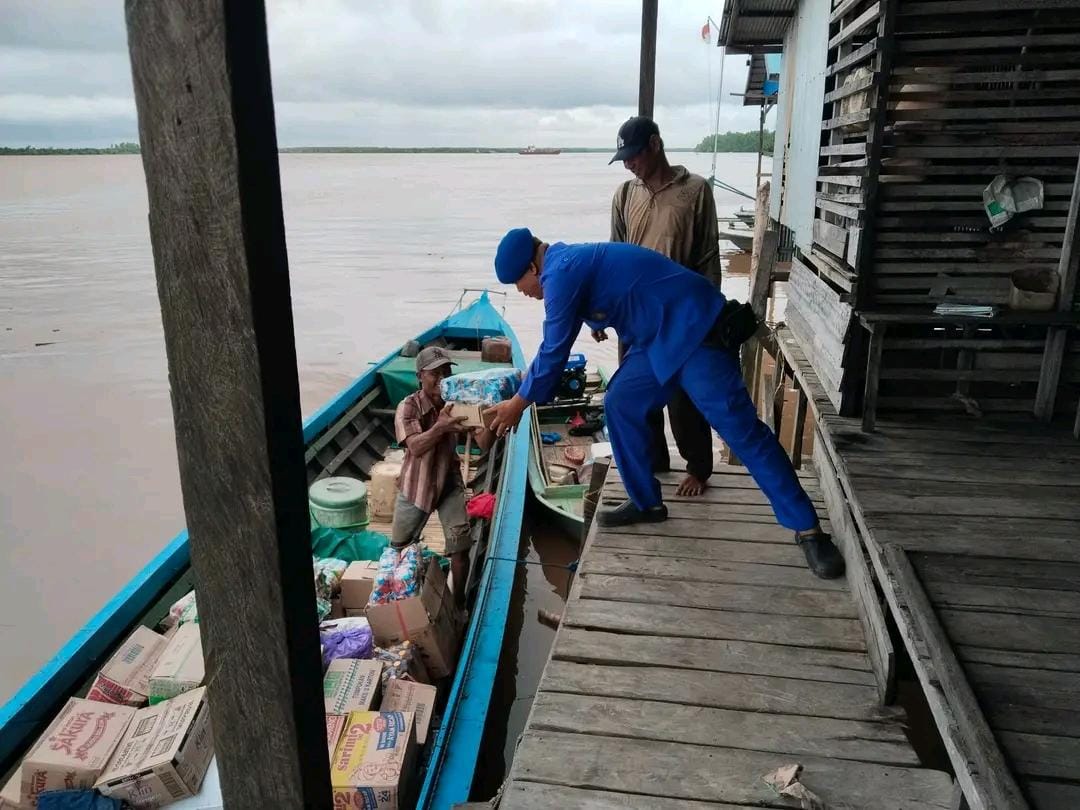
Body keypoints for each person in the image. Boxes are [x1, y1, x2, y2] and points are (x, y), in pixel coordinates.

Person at [484, 228, 844, 579]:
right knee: (620, 403)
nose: (522, 292)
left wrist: (518, 402)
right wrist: (595, 316)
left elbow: (552, 352)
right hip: (655, 340)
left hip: (695, 330)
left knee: (741, 432)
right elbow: (613, 291)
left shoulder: (560, 273)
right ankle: (647, 503)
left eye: (519, 284)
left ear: (533, 268)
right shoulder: (565, 264)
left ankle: (809, 529)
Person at [604, 115, 722, 498]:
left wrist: (707, 314)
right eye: (623, 157)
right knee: (636, 397)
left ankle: (698, 468)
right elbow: (614, 256)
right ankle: (653, 462)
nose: (628, 163)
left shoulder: (695, 191)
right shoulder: (625, 194)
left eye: (634, 155)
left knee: (684, 396)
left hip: (679, 316)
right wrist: (605, 309)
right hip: (634, 316)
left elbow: (708, 258)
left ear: (655, 144)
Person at [392, 346, 494, 606]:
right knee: (400, 549)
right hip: (416, 486)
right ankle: (403, 603)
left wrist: (491, 417)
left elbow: (484, 444)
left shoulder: (458, 403)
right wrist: (441, 427)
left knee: (460, 547)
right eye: (434, 373)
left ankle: (458, 606)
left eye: (446, 372)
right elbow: (415, 447)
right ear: (420, 376)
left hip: (449, 483)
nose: (441, 378)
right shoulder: (409, 406)